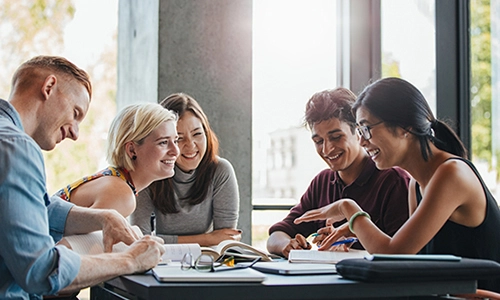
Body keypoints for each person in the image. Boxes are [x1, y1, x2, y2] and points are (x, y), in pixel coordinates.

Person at [295, 77, 500, 292]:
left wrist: (348, 209)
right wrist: (355, 230)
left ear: (404, 127)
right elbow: (409, 260)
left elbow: (392, 255)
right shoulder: (416, 184)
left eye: (366, 129)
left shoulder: (451, 174)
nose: (362, 141)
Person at [0, 55, 165, 300]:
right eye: (76, 113)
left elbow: (30, 210)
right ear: (49, 87)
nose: (75, 134)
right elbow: (41, 271)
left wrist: (104, 218)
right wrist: (129, 260)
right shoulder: (18, 147)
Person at [266, 87, 410, 258]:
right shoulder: (322, 182)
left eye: (336, 137)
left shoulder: (393, 180)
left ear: (359, 132)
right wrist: (287, 246)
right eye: (319, 141)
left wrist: (350, 247)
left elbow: (400, 254)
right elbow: (277, 235)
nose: (327, 149)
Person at [130, 93, 241, 246]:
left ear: (207, 133)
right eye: (179, 138)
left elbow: (225, 239)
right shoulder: (149, 172)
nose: (190, 145)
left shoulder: (220, 171)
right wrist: (207, 239)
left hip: (207, 261)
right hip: (160, 261)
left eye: (197, 134)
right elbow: (140, 239)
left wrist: (166, 240)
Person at [53, 102, 179, 217]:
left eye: (176, 141)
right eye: (163, 142)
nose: (176, 151)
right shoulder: (121, 194)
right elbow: (69, 242)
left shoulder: (117, 181)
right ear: (132, 150)